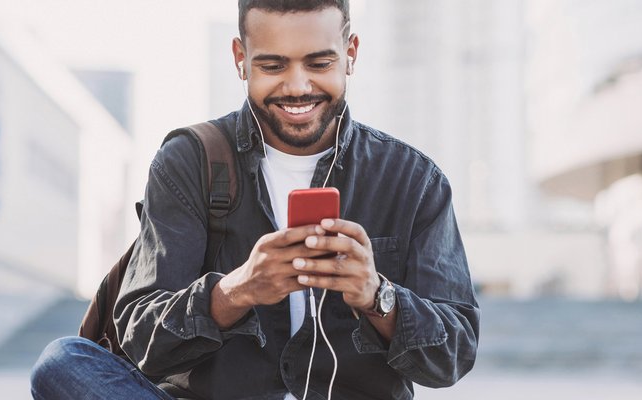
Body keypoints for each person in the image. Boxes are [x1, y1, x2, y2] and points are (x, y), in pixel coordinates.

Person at [31, 1, 479, 398]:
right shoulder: (188, 161)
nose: (298, 86)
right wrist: (236, 291)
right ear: (240, 59)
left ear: (351, 54)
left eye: (320, 63)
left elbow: (453, 356)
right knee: (64, 363)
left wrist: (376, 296)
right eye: (273, 65)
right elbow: (140, 339)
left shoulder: (412, 180)